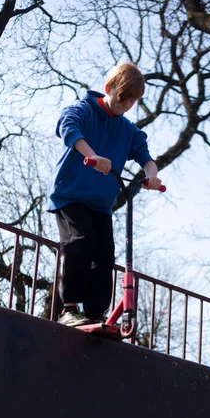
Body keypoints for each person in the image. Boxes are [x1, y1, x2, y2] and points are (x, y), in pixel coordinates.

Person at [47, 62, 162, 327]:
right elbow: (68, 127)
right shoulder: (84, 110)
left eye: (133, 101)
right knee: (82, 241)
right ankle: (69, 309)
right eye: (123, 98)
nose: (126, 105)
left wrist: (151, 174)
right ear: (108, 88)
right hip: (70, 195)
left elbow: (145, 156)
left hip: (100, 204)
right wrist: (92, 155)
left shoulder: (127, 130)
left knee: (105, 255)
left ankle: (95, 315)